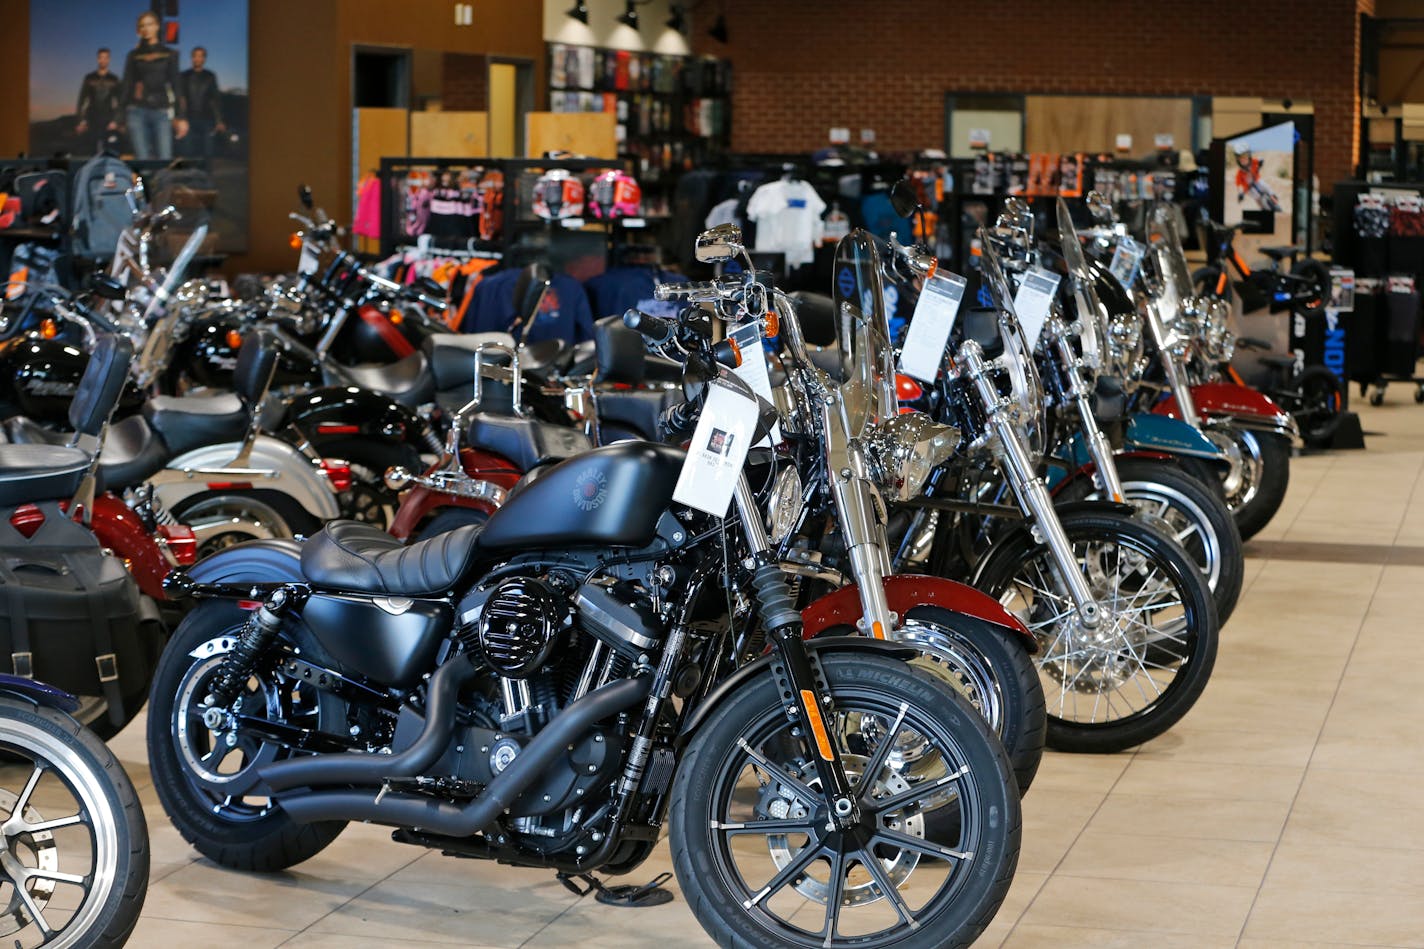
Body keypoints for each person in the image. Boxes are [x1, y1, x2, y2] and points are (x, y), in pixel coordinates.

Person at [118, 10, 186, 160]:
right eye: (142, 26)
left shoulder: (170, 54)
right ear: (138, 30)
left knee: (164, 160)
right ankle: (143, 184)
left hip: (161, 112)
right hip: (136, 112)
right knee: (143, 163)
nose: (146, 28)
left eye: (149, 24)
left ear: (157, 26)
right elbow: (126, 86)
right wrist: (119, 118)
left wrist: (181, 117)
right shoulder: (133, 55)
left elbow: (176, 86)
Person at [178, 46, 224, 160]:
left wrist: (219, 120)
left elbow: (215, 99)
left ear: (204, 59)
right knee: (187, 152)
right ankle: (189, 176)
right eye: (195, 56)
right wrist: (180, 118)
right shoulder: (184, 75)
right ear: (192, 58)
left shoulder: (210, 76)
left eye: (200, 56)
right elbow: (181, 98)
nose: (197, 59)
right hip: (188, 119)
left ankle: (206, 176)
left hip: (207, 119)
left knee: (208, 152)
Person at [74, 48, 120, 155]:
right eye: (101, 58)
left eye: (105, 57)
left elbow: (120, 101)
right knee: (91, 151)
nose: (103, 60)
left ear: (109, 59)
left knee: (109, 150)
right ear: (97, 59)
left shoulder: (114, 79)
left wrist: (116, 120)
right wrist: (80, 120)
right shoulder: (89, 78)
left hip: (108, 118)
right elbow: (81, 100)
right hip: (91, 117)